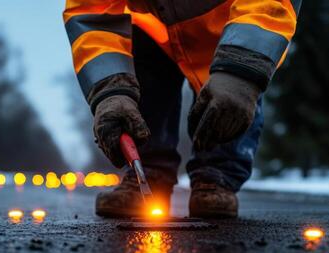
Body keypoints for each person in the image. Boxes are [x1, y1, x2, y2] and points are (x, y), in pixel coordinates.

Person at [64, 1, 301, 218]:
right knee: (142, 58)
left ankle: (216, 176)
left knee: (228, 103)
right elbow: (92, 15)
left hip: (234, 29)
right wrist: (111, 90)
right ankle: (147, 174)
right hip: (151, 30)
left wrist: (242, 70)